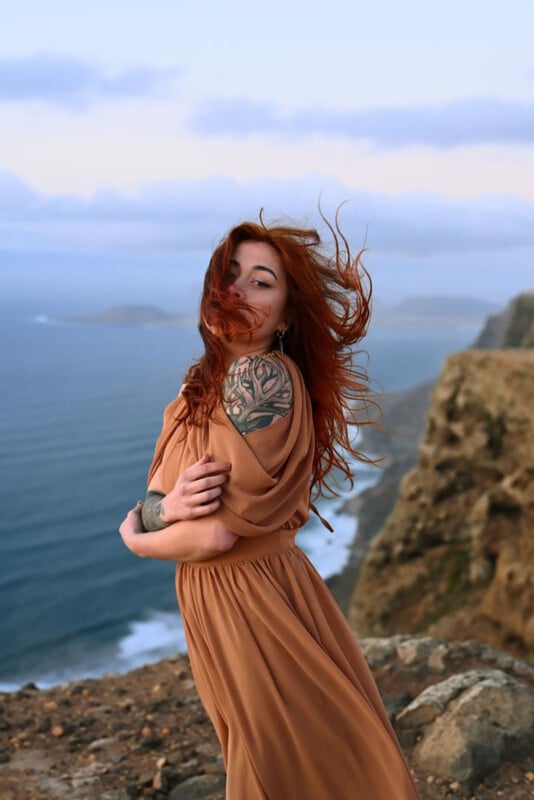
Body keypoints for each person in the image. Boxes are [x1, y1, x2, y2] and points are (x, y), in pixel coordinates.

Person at [119, 211, 420, 799]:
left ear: (285, 314)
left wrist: (134, 535)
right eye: (230, 274)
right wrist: (166, 508)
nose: (238, 289)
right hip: (225, 599)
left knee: (279, 765)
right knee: (286, 756)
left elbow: (213, 536)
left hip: (250, 597)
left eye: (262, 281)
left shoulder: (260, 377)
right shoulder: (198, 385)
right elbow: (159, 496)